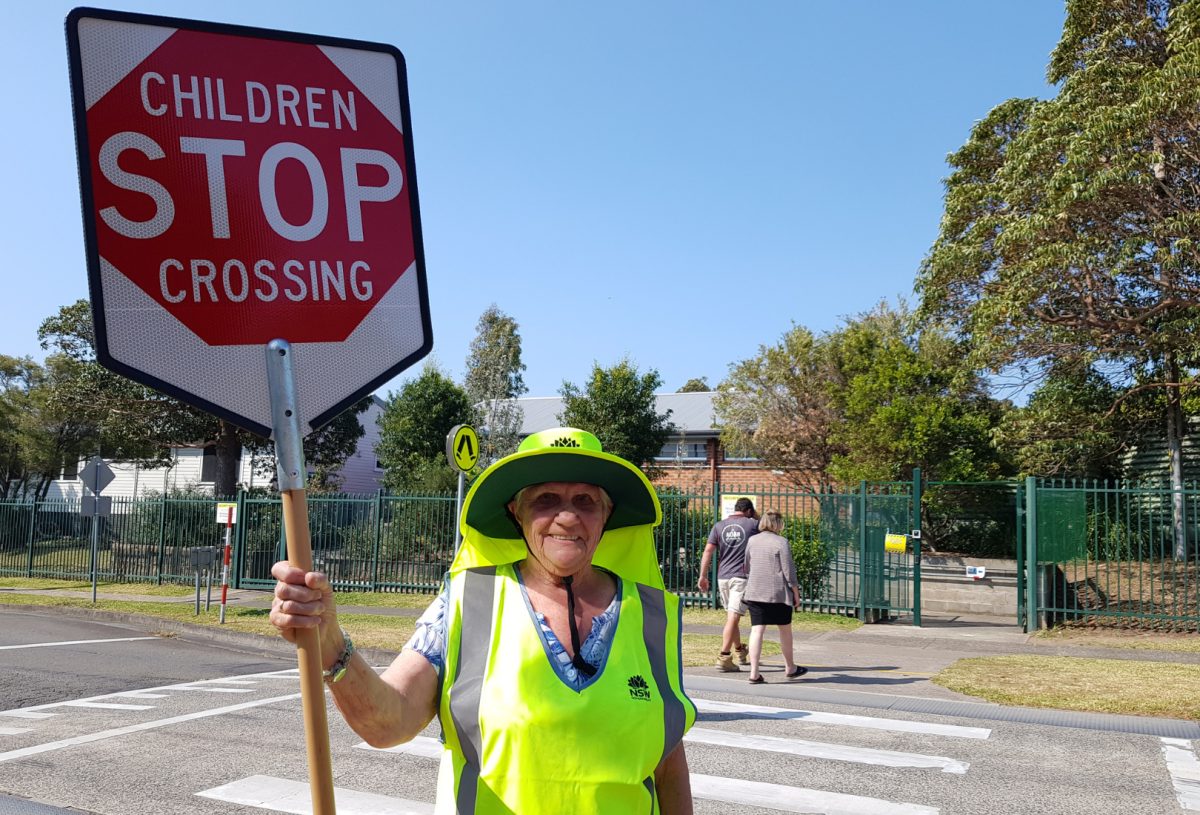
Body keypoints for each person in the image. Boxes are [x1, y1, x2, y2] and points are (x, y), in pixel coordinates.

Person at [270, 427, 696, 814]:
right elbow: (389, 722)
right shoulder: (466, 602)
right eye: (546, 500)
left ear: (607, 515)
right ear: (516, 512)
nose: (567, 517)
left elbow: (667, 765)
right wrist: (330, 644)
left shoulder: (651, 615)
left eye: (585, 501)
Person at [742, 509, 807, 684]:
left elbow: (746, 566)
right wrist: (796, 593)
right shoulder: (781, 542)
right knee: (785, 630)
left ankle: (754, 672)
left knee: (757, 630)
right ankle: (790, 667)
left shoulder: (752, 540)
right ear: (778, 523)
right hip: (778, 593)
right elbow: (788, 570)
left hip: (755, 591)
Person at [697, 497, 757, 671]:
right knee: (733, 617)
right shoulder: (752, 525)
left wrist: (702, 575)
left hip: (722, 577)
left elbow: (708, 551)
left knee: (733, 617)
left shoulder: (719, 526)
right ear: (749, 511)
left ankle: (739, 651)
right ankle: (724, 656)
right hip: (741, 576)